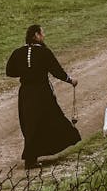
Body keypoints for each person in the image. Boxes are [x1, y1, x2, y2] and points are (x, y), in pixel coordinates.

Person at [5, 24, 80, 170]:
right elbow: (56, 71)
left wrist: (26, 73)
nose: (43, 36)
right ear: (36, 35)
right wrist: (70, 80)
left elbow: (10, 71)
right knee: (51, 119)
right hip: (42, 92)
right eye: (42, 33)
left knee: (30, 124)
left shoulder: (17, 52)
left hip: (26, 93)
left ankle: (31, 157)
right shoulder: (44, 52)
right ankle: (32, 158)